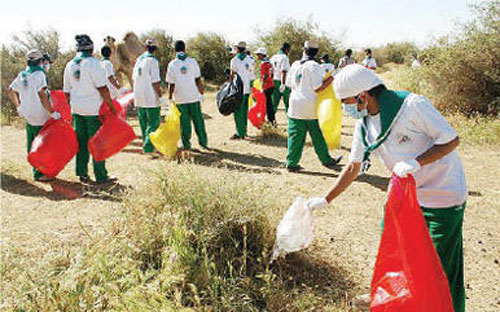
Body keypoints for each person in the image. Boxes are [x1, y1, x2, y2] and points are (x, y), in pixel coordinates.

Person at [305, 64, 467, 312]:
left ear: (363, 95)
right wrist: (325, 199)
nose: (345, 108)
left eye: (346, 101)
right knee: (398, 254)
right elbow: (353, 166)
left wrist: (416, 162)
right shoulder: (365, 124)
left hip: (442, 196)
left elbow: (450, 139)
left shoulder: (412, 106)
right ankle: (399, 300)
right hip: (406, 197)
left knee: (438, 266)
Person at [63, 34, 117, 184]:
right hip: (93, 111)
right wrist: (111, 107)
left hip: (77, 109)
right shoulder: (94, 64)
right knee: (98, 143)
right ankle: (101, 175)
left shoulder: (70, 65)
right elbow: (103, 89)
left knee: (81, 142)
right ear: (91, 48)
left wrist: (72, 107)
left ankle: (82, 173)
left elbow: (66, 92)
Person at [285, 40, 343, 172]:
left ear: (303, 50)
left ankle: (291, 162)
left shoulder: (294, 65)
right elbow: (318, 87)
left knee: (295, 136)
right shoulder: (315, 66)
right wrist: (332, 77)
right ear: (316, 52)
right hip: (310, 106)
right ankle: (326, 160)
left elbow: (289, 84)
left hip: (295, 105)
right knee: (317, 135)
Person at [8, 50, 61, 182]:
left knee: (32, 143)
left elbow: (10, 90)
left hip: (28, 115)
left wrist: (18, 107)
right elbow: (42, 95)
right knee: (42, 145)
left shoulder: (23, 74)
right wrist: (52, 113)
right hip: (40, 115)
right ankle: (40, 173)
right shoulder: (39, 75)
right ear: (40, 61)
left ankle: (36, 171)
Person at [166, 40, 208, 150]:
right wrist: (201, 93)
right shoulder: (192, 62)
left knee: (184, 124)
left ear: (174, 50)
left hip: (180, 98)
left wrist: (170, 97)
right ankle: (203, 143)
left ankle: (186, 145)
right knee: (198, 121)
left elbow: (171, 84)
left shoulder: (172, 64)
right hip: (193, 96)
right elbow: (198, 79)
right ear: (185, 49)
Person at [132, 38, 165, 154]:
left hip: (139, 95)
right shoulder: (153, 61)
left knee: (143, 122)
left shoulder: (138, 61)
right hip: (150, 96)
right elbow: (155, 81)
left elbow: (134, 78)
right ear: (155, 49)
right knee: (153, 123)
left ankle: (146, 144)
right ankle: (148, 147)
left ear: (145, 47)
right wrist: (160, 96)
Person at [229, 41, 254, 140]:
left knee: (238, 111)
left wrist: (230, 85)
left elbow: (232, 74)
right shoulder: (250, 59)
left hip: (238, 89)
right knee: (244, 110)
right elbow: (251, 74)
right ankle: (244, 130)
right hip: (247, 88)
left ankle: (240, 133)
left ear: (238, 49)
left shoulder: (234, 60)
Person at [270, 42, 291, 113]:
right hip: (283, 81)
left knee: (274, 103)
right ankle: (289, 120)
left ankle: (271, 121)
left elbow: (271, 71)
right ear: (287, 49)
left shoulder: (273, 57)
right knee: (287, 103)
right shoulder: (284, 58)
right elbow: (284, 71)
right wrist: (283, 84)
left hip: (274, 81)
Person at [255, 48, 275, 124]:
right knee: (269, 104)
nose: (257, 56)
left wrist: (262, 87)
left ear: (262, 54)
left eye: (258, 54)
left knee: (266, 105)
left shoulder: (263, 63)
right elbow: (272, 74)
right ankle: (271, 120)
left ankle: (269, 121)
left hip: (266, 86)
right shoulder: (269, 63)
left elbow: (265, 76)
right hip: (271, 85)